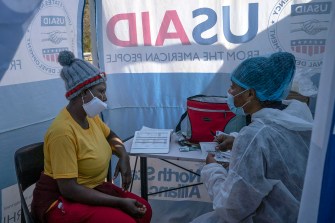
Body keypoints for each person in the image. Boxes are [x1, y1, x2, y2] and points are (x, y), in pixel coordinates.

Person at [191, 52, 313, 223]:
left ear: (250, 94)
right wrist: (237, 141)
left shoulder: (255, 135)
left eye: (234, 87)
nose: (229, 92)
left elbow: (232, 209)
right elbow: (280, 149)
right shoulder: (299, 115)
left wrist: (212, 170)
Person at [31, 50, 152, 223]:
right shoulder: (63, 132)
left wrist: (123, 154)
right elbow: (69, 189)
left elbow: (111, 136)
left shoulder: (90, 118)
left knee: (144, 211)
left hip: (90, 189)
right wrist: (119, 202)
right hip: (60, 200)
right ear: (82, 92)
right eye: (101, 91)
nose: (105, 97)